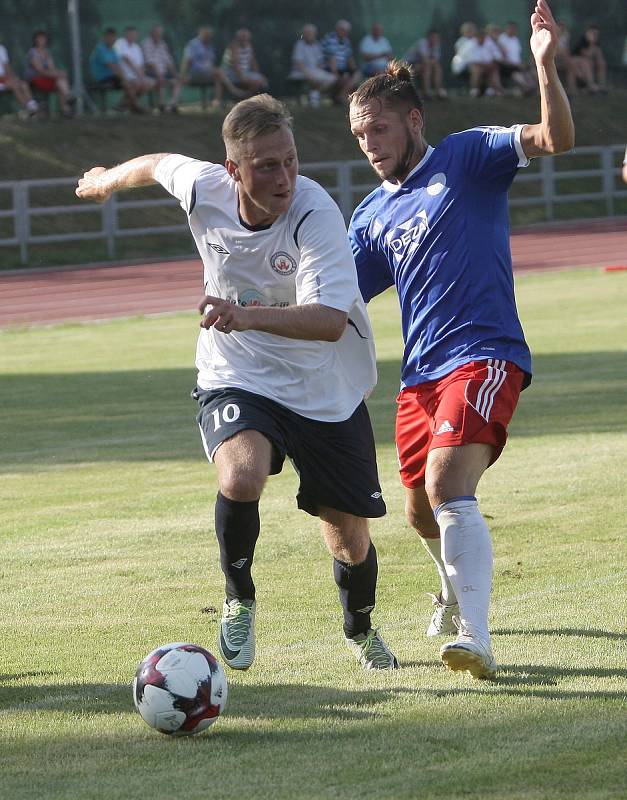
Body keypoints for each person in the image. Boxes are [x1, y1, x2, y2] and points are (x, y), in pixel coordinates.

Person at [75, 94, 398, 673]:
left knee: (347, 531)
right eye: (267, 166)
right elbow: (155, 162)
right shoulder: (204, 188)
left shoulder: (315, 212)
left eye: (291, 161)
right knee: (242, 472)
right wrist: (104, 182)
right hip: (237, 373)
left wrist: (244, 313)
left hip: (323, 385)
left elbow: (327, 322)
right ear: (234, 171)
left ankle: (360, 627)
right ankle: (238, 600)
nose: (284, 177)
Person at [347, 0, 574, 680]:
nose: (369, 144)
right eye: (359, 135)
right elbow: (338, 300)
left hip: (484, 354)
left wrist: (544, 66)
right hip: (419, 376)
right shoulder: (370, 212)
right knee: (416, 509)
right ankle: (448, 593)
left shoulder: (468, 155)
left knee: (448, 486)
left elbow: (553, 138)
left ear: (412, 120)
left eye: (379, 129)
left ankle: (475, 635)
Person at [180, 26, 245, 107]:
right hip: (195, 74)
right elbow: (187, 61)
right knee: (218, 72)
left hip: (208, 73)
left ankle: (217, 101)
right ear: (201, 33)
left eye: (210, 35)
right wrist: (183, 75)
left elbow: (210, 62)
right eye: (207, 35)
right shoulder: (193, 44)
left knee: (218, 76)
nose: (209, 37)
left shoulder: (209, 46)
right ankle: (233, 90)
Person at [89, 27, 145, 114]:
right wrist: (124, 78)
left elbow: (118, 66)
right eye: (109, 37)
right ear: (105, 37)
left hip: (113, 77)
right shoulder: (100, 49)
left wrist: (124, 77)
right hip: (102, 78)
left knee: (136, 84)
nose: (112, 39)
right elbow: (112, 66)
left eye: (113, 37)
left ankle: (121, 107)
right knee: (127, 83)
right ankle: (136, 106)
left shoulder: (113, 50)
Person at [24, 30, 73, 116]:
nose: (42, 40)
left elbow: (52, 68)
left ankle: (66, 109)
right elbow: (39, 70)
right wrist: (58, 73)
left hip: (46, 78)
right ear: (35, 40)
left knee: (60, 81)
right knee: (61, 77)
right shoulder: (32, 52)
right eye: (40, 38)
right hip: (35, 79)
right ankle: (68, 97)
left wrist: (57, 73)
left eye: (43, 38)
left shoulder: (47, 52)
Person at [289, 23, 337, 107]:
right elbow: (298, 63)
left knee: (333, 78)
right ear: (303, 34)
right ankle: (314, 98)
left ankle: (315, 94)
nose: (309, 35)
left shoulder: (317, 45)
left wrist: (322, 71)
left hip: (314, 71)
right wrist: (308, 75)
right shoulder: (299, 45)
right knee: (317, 78)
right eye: (307, 33)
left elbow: (319, 63)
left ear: (314, 34)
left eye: (310, 33)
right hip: (300, 72)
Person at [142, 24, 183, 112]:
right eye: (157, 32)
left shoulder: (162, 44)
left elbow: (169, 62)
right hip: (150, 73)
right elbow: (149, 63)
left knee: (178, 81)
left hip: (162, 73)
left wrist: (176, 74)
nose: (159, 35)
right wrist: (159, 75)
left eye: (160, 33)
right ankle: (162, 105)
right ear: (151, 33)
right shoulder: (146, 43)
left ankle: (172, 104)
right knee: (160, 80)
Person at [114, 26, 154, 111]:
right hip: (122, 75)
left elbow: (141, 65)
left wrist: (142, 77)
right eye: (131, 34)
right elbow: (126, 60)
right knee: (136, 84)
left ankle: (123, 104)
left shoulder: (137, 47)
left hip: (135, 76)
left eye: (134, 34)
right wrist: (140, 76)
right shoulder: (119, 43)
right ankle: (137, 106)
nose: (133, 36)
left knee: (149, 84)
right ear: (126, 34)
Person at [221, 28, 269, 96]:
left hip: (245, 73)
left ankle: (250, 99)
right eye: (242, 37)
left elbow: (253, 62)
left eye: (246, 37)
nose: (244, 39)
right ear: (238, 38)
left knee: (263, 81)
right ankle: (247, 98)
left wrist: (258, 74)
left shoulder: (249, 46)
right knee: (255, 82)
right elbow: (235, 65)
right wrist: (243, 78)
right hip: (231, 74)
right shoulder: (234, 47)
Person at [322, 20, 360, 104]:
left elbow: (349, 57)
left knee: (356, 75)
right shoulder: (329, 39)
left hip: (342, 68)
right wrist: (336, 74)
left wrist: (354, 70)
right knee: (344, 78)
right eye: (343, 30)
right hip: (329, 68)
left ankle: (340, 96)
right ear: (337, 29)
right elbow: (331, 59)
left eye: (346, 31)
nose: (345, 32)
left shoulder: (346, 41)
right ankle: (339, 97)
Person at [403, 30, 447, 100]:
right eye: (433, 37)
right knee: (427, 67)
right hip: (408, 66)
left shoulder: (436, 45)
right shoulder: (422, 43)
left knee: (437, 68)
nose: (435, 39)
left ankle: (438, 92)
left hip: (423, 65)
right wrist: (432, 62)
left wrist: (432, 62)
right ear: (429, 37)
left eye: (437, 38)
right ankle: (426, 93)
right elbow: (425, 60)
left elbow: (435, 60)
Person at [496, 22, 536, 95]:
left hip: (517, 65)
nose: (511, 30)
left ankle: (531, 88)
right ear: (506, 29)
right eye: (510, 28)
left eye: (513, 29)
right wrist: (515, 65)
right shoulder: (501, 39)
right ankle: (526, 87)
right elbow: (501, 57)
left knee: (530, 71)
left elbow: (517, 56)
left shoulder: (515, 40)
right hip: (505, 66)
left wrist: (520, 64)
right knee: (516, 74)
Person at [0, 42, 39, 116]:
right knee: (15, 85)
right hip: (3, 80)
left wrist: (13, 77)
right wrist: (6, 78)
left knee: (23, 84)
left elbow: (7, 67)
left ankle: (33, 108)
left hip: (5, 80)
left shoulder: (1, 48)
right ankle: (30, 110)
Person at [571, 25, 607, 93]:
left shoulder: (597, 42)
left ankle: (601, 84)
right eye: (593, 33)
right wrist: (592, 43)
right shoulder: (583, 41)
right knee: (586, 63)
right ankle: (591, 85)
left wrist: (600, 61)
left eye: (596, 34)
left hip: (587, 60)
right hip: (577, 60)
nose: (595, 35)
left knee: (602, 63)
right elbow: (586, 54)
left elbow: (599, 55)